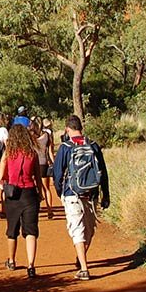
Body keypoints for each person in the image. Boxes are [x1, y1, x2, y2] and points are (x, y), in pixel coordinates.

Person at [51, 115, 110, 281]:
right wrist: (106, 194)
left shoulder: (65, 147)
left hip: (72, 193)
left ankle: (83, 266)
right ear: (80, 128)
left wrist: (59, 191)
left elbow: (57, 173)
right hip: (91, 194)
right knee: (89, 230)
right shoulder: (93, 145)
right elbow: (103, 172)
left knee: (78, 229)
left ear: (67, 129)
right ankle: (83, 262)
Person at [0, 123, 43, 278]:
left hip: (13, 194)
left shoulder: (9, 153)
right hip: (30, 194)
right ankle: (31, 265)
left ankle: (11, 260)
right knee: (31, 231)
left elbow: (1, 175)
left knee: (12, 230)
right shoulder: (32, 153)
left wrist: (5, 181)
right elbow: (38, 177)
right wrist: (40, 193)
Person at [30, 118, 56, 220]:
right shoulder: (47, 136)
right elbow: (50, 152)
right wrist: (54, 164)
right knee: (46, 189)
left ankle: (37, 209)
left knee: (35, 188)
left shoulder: (31, 137)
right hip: (43, 164)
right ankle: (50, 210)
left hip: (33, 164)